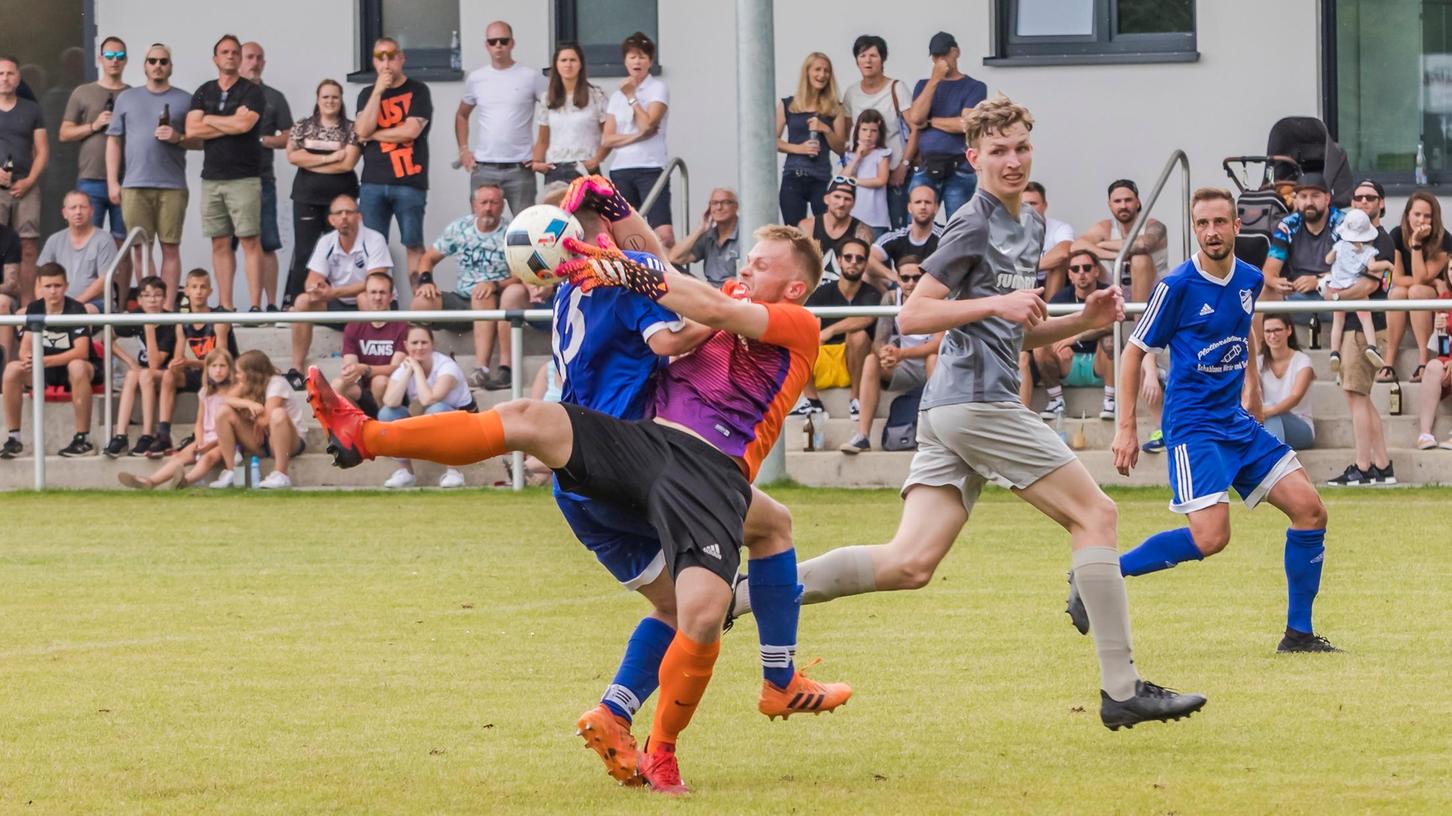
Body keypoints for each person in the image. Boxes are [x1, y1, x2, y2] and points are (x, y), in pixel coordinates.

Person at [306, 185, 851, 793]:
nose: (745, 267)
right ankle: (367, 434)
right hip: (646, 445)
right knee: (532, 418)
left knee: (705, 605)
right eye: (746, 259)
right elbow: (661, 271)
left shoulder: (796, 322)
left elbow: (691, 296)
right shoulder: (711, 298)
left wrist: (605, 256)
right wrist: (617, 216)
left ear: (794, 287)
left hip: (711, 473)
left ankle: (669, 745)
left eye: (760, 263)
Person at [732, 95, 1205, 729]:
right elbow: (913, 315)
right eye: (999, 152)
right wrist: (994, 309)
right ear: (973, 157)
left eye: (1021, 149)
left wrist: (1080, 322)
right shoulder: (971, 224)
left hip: (955, 410)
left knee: (909, 563)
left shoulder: (1031, 226)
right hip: (975, 405)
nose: (1012, 162)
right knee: (1097, 513)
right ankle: (1121, 690)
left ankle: (744, 593)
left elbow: (1012, 332)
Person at [1097, 186, 1337, 654]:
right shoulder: (1177, 286)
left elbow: (1243, 328)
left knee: (1310, 511)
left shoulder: (1249, 278)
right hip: (1194, 429)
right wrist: (1125, 427)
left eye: (1219, 222)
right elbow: (1132, 352)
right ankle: (1101, 574)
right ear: (1195, 229)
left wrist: (1252, 386)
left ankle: (1298, 635)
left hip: (1236, 423)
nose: (1211, 232)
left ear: (1236, 226)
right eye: (1202, 224)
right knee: (1212, 538)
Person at [106, 43, 193, 306]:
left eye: (163, 61)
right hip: (134, 184)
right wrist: (113, 182)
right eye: (152, 61)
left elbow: (200, 140)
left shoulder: (184, 99)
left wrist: (178, 137)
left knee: (170, 246)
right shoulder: (127, 98)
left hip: (172, 185)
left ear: (171, 66)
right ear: (144, 65)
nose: (158, 66)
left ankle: (166, 307)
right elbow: (114, 141)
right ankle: (149, 306)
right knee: (141, 247)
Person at [185, 34, 265, 312]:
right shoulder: (203, 91)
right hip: (212, 179)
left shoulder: (252, 91)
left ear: (240, 58)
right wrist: (229, 121)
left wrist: (208, 119)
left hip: (244, 177)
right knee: (219, 243)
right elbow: (192, 129)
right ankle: (226, 305)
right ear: (215, 58)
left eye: (234, 52)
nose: (230, 56)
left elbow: (245, 126)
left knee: (250, 241)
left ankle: (255, 306)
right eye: (224, 52)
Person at [411, 183, 515, 390]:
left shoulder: (510, 233)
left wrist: (494, 285)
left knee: (481, 293)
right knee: (421, 301)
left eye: (494, 203)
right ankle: (418, 365)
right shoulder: (460, 228)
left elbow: (521, 276)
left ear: (502, 206)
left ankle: (481, 369)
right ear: (473, 206)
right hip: (461, 299)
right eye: (483, 202)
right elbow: (428, 258)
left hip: (493, 300)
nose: (488, 208)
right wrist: (426, 281)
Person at [1326, 179, 1396, 487]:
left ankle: (1363, 466)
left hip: (1367, 328)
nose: (1363, 202)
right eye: (1357, 198)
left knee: (1356, 397)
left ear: (1381, 203)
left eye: (1370, 197)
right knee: (1359, 398)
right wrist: (1331, 289)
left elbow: (1370, 285)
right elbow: (1331, 271)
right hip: (1350, 328)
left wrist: (1337, 296)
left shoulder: (1382, 241)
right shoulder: (1344, 237)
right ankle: (1382, 466)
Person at [287, 193, 392, 388]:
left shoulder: (374, 239)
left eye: (349, 212)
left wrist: (332, 292)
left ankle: (367, 367)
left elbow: (375, 283)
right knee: (302, 301)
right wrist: (316, 289)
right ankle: (297, 369)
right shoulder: (326, 242)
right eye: (339, 213)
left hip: (372, 304)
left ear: (359, 216)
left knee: (364, 297)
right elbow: (311, 280)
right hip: (338, 307)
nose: (344, 217)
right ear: (331, 220)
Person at [839, 257, 940, 453]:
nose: (910, 283)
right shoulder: (892, 298)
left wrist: (902, 353)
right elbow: (879, 340)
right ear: (898, 280)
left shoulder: (937, 299)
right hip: (904, 366)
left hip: (932, 367)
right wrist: (885, 353)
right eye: (905, 278)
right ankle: (863, 436)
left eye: (916, 278)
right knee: (871, 360)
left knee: (933, 358)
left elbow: (938, 344)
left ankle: (937, 433)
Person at [355, 37, 433, 287]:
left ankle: (419, 311)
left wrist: (374, 135)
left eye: (391, 56)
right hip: (372, 182)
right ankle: (377, 313)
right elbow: (361, 129)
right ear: (373, 62)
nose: (386, 63)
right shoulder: (367, 94)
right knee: (372, 247)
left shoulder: (418, 90)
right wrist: (378, 90)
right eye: (380, 57)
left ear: (402, 58)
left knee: (413, 244)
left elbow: (410, 131)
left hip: (409, 181)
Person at [1, 263, 98, 458]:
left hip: (75, 370)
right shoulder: (35, 307)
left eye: (57, 285)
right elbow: (26, 346)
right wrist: (27, 358)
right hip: (45, 369)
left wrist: (44, 361)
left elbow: (82, 352)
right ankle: (14, 438)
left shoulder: (76, 308)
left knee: (77, 366)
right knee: (12, 369)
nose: (53, 291)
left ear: (66, 286)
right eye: (48, 286)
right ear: (39, 287)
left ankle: (82, 439)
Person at [285, 79, 361, 307]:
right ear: (318, 100)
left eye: (335, 97)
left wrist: (310, 161)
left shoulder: (351, 128)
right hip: (306, 198)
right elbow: (292, 156)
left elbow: (347, 164)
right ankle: (297, 303)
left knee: (340, 253)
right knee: (304, 253)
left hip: (341, 203)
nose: (330, 101)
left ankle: (338, 304)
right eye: (326, 97)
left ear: (341, 99)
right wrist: (329, 158)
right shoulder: (302, 125)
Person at [457, 21, 546, 216]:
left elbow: (552, 112)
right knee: (481, 229)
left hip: (520, 168)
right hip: (484, 167)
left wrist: (540, 150)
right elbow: (462, 114)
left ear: (512, 43)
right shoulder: (477, 78)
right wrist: (464, 150)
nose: (498, 45)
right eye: (493, 41)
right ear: (486, 45)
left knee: (525, 230)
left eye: (503, 41)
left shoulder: (530, 77)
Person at [153, 268, 239, 457]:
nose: (199, 291)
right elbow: (178, 358)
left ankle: (200, 433)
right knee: (169, 375)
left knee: (212, 374)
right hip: (200, 371)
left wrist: (190, 362)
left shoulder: (219, 318)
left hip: (226, 375)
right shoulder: (182, 320)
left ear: (210, 291)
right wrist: (176, 365)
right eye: (194, 287)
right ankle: (163, 434)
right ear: (187, 291)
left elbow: (222, 362)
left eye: (203, 287)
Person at [117, 348, 233, 488]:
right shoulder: (205, 392)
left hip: (225, 441)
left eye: (222, 366)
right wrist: (200, 441)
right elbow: (200, 421)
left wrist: (210, 445)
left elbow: (231, 427)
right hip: (206, 438)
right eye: (214, 366)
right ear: (207, 369)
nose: (218, 370)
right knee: (180, 457)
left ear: (230, 369)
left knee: (208, 458)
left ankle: (185, 481)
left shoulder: (233, 392)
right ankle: (150, 481)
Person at [377, 325, 476, 489]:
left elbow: (429, 399)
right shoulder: (405, 367)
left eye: (424, 342)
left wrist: (417, 369)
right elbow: (389, 401)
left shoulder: (446, 365)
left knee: (436, 410)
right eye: (414, 343)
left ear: (433, 344)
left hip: (465, 426)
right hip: (432, 423)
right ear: (406, 346)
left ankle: (454, 471)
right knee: (387, 414)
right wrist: (408, 371)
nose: (419, 347)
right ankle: (406, 473)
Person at [904, 32, 986, 218]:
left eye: (944, 55)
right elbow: (916, 118)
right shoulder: (923, 85)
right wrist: (934, 80)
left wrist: (931, 121)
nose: (940, 60)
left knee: (957, 228)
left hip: (959, 168)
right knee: (914, 224)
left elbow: (965, 124)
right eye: (935, 56)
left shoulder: (974, 86)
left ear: (955, 52)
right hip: (926, 166)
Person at [603, 32, 673, 248]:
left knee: (663, 233)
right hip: (622, 169)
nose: (637, 61)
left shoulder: (657, 88)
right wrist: (637, 136)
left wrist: (632, 97)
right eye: (632, 57)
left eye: (642, 57)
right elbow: (607, 139)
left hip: (650, 167)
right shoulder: (616, 97)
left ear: (650, 61)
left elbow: (648, 125)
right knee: (624, 231)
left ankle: (666, 275)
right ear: (625, 61)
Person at [239, 41, 294, 315]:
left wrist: (261, 140)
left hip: (263, 180)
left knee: (267, 244)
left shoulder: (274, 97)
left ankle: (270, 305)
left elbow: (289, 136)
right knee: (226, 244)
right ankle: (245, 305)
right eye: (249, 57)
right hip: (230, 180)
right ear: (239, 60)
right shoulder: (226, 94)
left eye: (259, 57)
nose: (255, 62)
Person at [60, 36, 129, 241]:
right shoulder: (84, 92)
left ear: (126, 60)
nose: (114, 60)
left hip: (126, 178)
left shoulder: (133, 94)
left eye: (119, 56)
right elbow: (64, 133)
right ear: (100, 59)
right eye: (109, 55)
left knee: (122, 242)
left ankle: (119, 276)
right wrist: (94, 125)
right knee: (88, 240)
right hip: (90, 178)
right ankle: (93, 276)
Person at [1034, 250, 1116, 421]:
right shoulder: (1061, 297)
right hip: (1068, 364)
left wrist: (1073, 338)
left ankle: (1111, 400)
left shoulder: (1106, 292)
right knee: (1040, 347)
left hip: (1099, 364)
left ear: (1096, 271)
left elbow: (1112, 324)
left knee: (1110, 341)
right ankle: (1056, 401)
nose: (1081, 273)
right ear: (1069, 274)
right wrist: (1057, 342)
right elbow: (1045, 327)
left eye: (1086, 268)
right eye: (1075, 269)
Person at [841, 34, 912, 229]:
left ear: (883, 60)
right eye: (862, 55)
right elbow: (847, 133)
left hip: (894, 172)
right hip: (862, 175)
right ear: (856, 60)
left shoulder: (897, 88)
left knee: (898, 229)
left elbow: (915, 130)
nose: (868, 61)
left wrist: (903, 166)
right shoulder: (851, 93)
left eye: (873, 55)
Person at [801, 236, 877, 418]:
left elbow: (867, 318)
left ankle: (856, 400)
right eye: (848, 257)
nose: (853, 262)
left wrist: (830, 331)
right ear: (839, 260)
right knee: (799, 337)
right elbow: (806, 320)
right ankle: (812, 401)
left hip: (856, 359)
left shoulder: (872, 292)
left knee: (858, 336)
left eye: (859, 259)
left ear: (866, 264)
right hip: (823, 357)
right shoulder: (822, 292)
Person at [210, 349, 305, 489]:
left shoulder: (277, 382)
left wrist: (252, 417)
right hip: (262, 441)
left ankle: (281, 474)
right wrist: (249, 404)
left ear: (251, 373)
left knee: (278, 413)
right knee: (223, 412)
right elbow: (227, 400)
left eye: (238, 372)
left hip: (288, 442)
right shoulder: (247, 383)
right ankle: (231, 472)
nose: (236, 376)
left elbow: (266, 419)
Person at [1383, 190, 1451, 383]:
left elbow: (1420, 279)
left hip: (1435, 301)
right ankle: (1389, 361)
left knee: (1416, 290)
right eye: (1417, 214)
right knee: (1397, 293)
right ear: (1407, 215)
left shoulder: (1444, 238)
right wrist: (1434, 281)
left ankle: (1423, 360)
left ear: (1434, 218)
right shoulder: (1396, 234)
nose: (1421, 220)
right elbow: (1397, 278)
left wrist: (1416, 244)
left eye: (1427, 215)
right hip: (1418, 292)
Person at [103, 275, 175, 457]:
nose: (152, 300)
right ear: (139, 300)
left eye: (157, 295)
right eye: (147, 295)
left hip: (165, 374)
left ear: (165, 298)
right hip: (144, 373)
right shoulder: (136, 316)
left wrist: (149, 329)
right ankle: (121, 435)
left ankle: (147, 434)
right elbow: (106, 339)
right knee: (131, 375)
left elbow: (155, 363)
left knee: (144, 374)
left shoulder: (170, 322)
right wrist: (131, 362)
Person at [775, 52, 848, 225]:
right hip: (793, 176)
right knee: (794, 233)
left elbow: (841, 148)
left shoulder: (835, 107)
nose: (822, 75)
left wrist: (826, 130)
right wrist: (799, 149)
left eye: (826, 71)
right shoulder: (788, 105)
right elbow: (771, 141)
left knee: (823, 231)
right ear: (807, 72)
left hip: (821, 179)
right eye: (817, 70)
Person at [1262, 173, 1344, 326]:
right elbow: (1268, 271)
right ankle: (1260, 349)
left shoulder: (1342, 223)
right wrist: (1276, 282)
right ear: (1296, 199)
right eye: (1303, 196)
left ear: (1327, 198)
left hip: (1333, 292)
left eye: (1315, 196)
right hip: (1297, 292)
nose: (1309, 202)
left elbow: (1352, 272)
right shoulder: (1288, 225)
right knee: (1263, 290)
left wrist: (1319, 281)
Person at [0, 54, 49, 305]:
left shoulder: (32, 109)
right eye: (0, 74)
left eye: (10, 73)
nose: (5, 79)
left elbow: (42, 150)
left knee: (28, 247)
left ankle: (27, 310)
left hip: (26, 186)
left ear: (18, 78)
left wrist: (29, 181)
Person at [1076, 179, 1169, 305]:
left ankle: (1141, 322)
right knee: (1084, 261)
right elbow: (1077, 246)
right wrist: (1116, 256)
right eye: (1117, 201)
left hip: (1155, 291)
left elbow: (1143, 244)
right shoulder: (1106, 227)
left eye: (1128, 200)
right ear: (1110, 204)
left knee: (1139, 259)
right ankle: (1087, 317)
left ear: (1138, 202)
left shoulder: (1153, 225)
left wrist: (1103, 245)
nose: (1123, 206)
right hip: (1118, 288)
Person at [531, 42, 608, 186]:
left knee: (588, 209)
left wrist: (598, 159)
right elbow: (543, 139)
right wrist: (536, 162)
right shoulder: (547, 98)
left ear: (580, 64)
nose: (568, 65)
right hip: (556, 168)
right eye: (563, 60)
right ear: (556, 65)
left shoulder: (596, 95)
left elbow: (609, 134)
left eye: (573, 60)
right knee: (557, 209)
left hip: (585, 167)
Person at [332, 270, 406, 418]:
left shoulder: (401, 326)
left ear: (391, 296)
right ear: (366, 295)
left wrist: (366, 369)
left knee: (379, 382)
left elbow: (396, 369)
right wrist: (352, 371)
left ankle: (384, 426)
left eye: (382, 293)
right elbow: (351, 367)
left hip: (392, 393)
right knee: (336, 385)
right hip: (363, 391)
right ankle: (359, 427)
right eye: (373, 292)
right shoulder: (354, 326)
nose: (377, 297)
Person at [1322, 207, 1387, 374]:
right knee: (1366, 319)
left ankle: (1334, 352)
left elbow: (1327, 259)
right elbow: (1373, 267)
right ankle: (1372, 346)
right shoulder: (1368, 251)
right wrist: (1388, 265)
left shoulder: (1339, 245)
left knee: (1338, 322)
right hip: (1355, 288)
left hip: (1336, 285)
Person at [36, 190, 118, 312]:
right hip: (58, 304)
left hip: (96, 304)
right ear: (64, 213)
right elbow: (40, 278)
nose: (78, 212)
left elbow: (104, 280)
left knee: (86, 311)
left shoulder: (104, 240)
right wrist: (43, 304)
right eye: (73, 208)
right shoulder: (54, 240)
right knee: (21, 315)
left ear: (92, 211)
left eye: (83, 207)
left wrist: (73, 305)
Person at [798, 176, 875, 284]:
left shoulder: (863, 230)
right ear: (826, 199)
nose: (841, 203)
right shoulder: (808, 226)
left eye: (847, 199)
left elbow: (864, 267)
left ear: (853, 203)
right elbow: (801, 264)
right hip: (814, 286)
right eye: (837, 197)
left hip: (847, 286)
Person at [1259, 314, 1315, 451]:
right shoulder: (1258, 362)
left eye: (1277, 330)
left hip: (1300, 427)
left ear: (1289, 330)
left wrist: (1267, 412)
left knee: (1272, 413)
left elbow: (1295, 397)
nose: (1272, 335)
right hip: (1266, 422)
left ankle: (1272, 461)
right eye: (1268, 331)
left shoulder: (1302, 361)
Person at [668, 187, 739, 286]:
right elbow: (673, 258)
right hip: (710, 291)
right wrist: (700, 229)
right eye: (714, 203)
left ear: (736, 206)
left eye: (725, 202)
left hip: (735, 291)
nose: (719, 207)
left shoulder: (745, 233)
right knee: (670, 269)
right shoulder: (708, 234)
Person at [868, 184, 940, 281]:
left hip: (933, 290)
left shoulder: (944, 238)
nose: (923, 206)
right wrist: (893, 276)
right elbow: (868, 258)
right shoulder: (897, 236)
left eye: (927, 202)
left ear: (936, 208)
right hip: (903, 286)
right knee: (866, 276)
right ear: (909, 208)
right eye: (918, 202)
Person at [842, 110, 891, 236]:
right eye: (864, 130)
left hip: (876, 218)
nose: (868, 134)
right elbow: (841, 179)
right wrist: (857, 157)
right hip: (853, 216)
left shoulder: (882, 154)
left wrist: (855, 181)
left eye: (873, 131)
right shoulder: (850, 156)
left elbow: (881, 180)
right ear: (857, 131)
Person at [1022, 181, 1074, 298]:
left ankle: (1049, 312)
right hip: (1022, 282)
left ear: (1045, 205)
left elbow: (1063, 253)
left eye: (1033, 203)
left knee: (1058, 265)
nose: (1029, 208)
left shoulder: (1060, 228)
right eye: (1025, 204)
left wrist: (1027, 269)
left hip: (1051, 282)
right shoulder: (1007, 230)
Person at [1415, 304, 1452, 449]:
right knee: (1432, 367)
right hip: (1448, 360)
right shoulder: (1444, 299)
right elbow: (1442, 351)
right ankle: (1425, 434)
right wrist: (1441, 332)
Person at [0, 221, 20, 360]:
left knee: (2, 303)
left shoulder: (8, 235)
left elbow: (11, 284)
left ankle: (3, 370)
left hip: (1, 295)